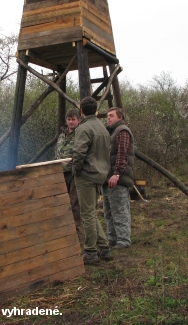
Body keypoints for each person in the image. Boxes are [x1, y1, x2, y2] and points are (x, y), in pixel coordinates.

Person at [72, 96, 112, 264]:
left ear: (81, 111)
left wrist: (76, 170)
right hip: (100, 174)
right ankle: (104, 247)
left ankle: (90, 251)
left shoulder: (84, 128)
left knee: (86, 213)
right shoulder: (102, 127)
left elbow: (80, 152)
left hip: (86, 175)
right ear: (95, 110)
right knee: (91, 212)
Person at [103, 107, 134, 249]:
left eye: (111, 116)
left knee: (120, 210)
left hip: (118, 179)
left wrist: (117, 174)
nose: (108, 118)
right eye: (108, 116)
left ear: (120, 117)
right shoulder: (111, 132)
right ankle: (112, 238)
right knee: (109, 212)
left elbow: (122, 155)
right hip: (108, 178)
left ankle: (123, 240)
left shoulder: (122, 131)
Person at [55, 108, 84, 244]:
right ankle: (65, 234)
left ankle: (79, 237)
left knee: (75, 204)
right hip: (61, 173)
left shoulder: (81, 134)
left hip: (75, 173)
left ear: (79, 120)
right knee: (62, 203)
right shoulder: (62, 135)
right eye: (69, 119)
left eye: (73, 119)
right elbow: (57, 153)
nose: (71, 122)